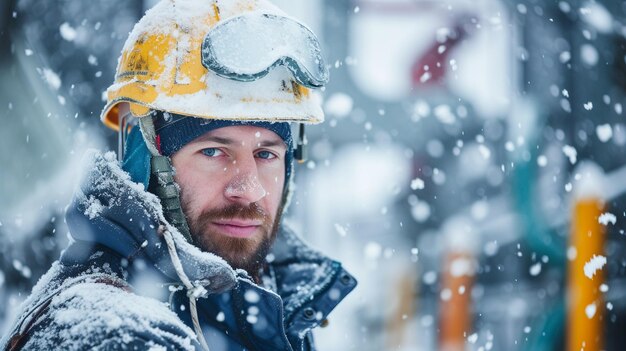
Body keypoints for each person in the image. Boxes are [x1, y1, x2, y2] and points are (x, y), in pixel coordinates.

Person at [1, 0, 356, 350]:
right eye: (213, 152)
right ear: (141, 160)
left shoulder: (267, 303)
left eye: (266, 154)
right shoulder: (111, 334)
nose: (248, 190)